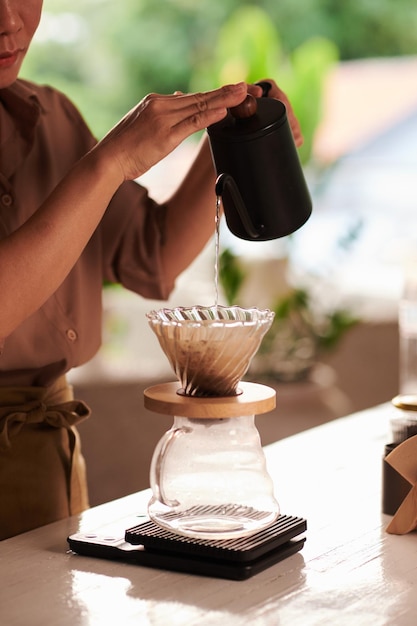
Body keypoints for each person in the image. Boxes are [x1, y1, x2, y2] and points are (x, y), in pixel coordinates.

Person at [0, 0, 303, 540]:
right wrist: (110, 160)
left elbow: (153, 253)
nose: (8, 22)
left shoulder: (48, 116)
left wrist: (228, 135)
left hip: (50, 450)